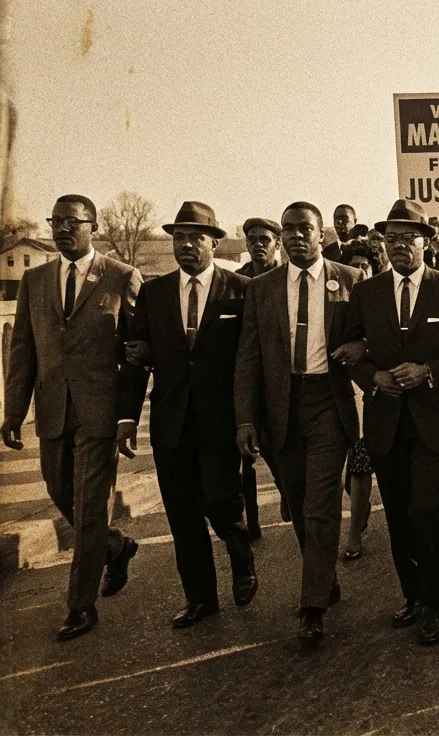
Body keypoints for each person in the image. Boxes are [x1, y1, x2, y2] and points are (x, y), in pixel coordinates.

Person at [2, 194, 143, 641]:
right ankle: (115, 547)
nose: (62, 229)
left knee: (87, 509)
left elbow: (137, 354)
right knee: (58, 488)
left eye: (72, 222)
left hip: (99, 413)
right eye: (55, 221)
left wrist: (127, 416)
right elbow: (22, 350)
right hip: (51, 411)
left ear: (94, 226)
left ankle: (80, 606)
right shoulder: (35, 279)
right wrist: (12, 411)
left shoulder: (122, 278)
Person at [343, 199, 439, 646]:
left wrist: (429, 372)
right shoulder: (366, 292)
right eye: (392, 238)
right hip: (386, 421)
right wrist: (374, 378)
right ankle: (412, 596)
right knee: (400, 515)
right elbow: (347, 350)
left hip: (433, 421)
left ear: (429, 242)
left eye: (409, 238)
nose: (400, 246)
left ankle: (434, 603)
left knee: (428, 508)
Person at [119, 201, 258, 629]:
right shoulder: (155, 293)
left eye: (196, 237)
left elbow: (250, 359)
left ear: (214, 242)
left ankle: (240, 555)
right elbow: (137, 355)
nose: (186, 245)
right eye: (179, 237)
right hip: (171, 420)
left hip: (221, 420)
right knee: (181, 514)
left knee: (221, 499)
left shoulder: (240, 290)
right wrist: (127, 417)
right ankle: (200, 599)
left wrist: (250, 418)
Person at [235, 201, 364, 649]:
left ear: (321, 232)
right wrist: (246, 419)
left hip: (328, 400)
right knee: (295, 498)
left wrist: (358, 350)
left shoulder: (349, 280)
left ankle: (312, 608)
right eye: (287, 229)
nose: (294, 236)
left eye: (304, 228)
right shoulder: (262, 288)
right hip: (280, 407)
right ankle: (322, 575)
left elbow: (364, 336)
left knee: (321, 504)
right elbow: (248, 358)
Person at [236, 217, 286, 536]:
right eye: (252, 240)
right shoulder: (238, 280)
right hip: (248, 375)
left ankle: (287, 489)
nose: (257, 245)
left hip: (280, 379)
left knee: (276, 447)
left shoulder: (286, 277)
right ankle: (250, 523)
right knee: (247, 454)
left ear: (276, 244)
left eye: (264, 240)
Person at [337, 241, 380, 561]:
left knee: (360, 463)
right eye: (355, 264)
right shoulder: (336, 301)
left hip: (373, 390)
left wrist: (363, 348)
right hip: (340, 389)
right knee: (345, 470)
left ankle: (353, 532)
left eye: (366, 264)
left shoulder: (381, 298)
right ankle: (359, 507)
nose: (361, 270)